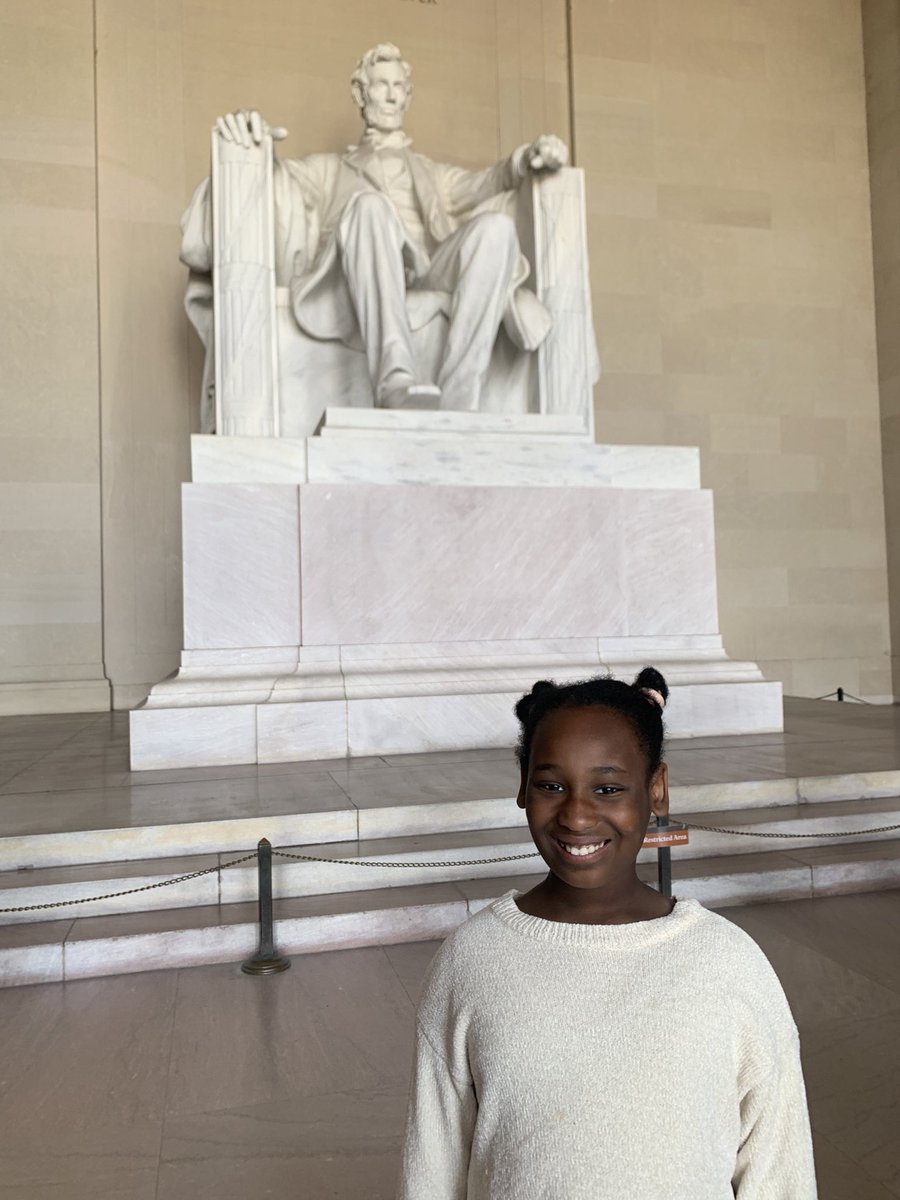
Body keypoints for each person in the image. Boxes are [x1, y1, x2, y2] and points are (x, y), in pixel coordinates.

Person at [398, 669, 818, 1199]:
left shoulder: (729, 963)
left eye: (608, 788)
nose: (576, 814)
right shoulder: (471, 959)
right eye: (552, 785)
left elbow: (778, 1171)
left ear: (656, 788)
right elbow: (432, 1166)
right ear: (523, 787)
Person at [180, 43, 568, 412]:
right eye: (381, 85)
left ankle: (460, 396)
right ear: (360, 93)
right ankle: (395, 378)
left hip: (427, 271)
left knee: (497, 229)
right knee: (369, 207)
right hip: (359, 276)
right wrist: (256, 140)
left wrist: (526, 159)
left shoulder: (432, 174)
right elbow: (279, 178)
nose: (391, 96)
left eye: (399, 87)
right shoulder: (330, 170)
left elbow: (487, 182)